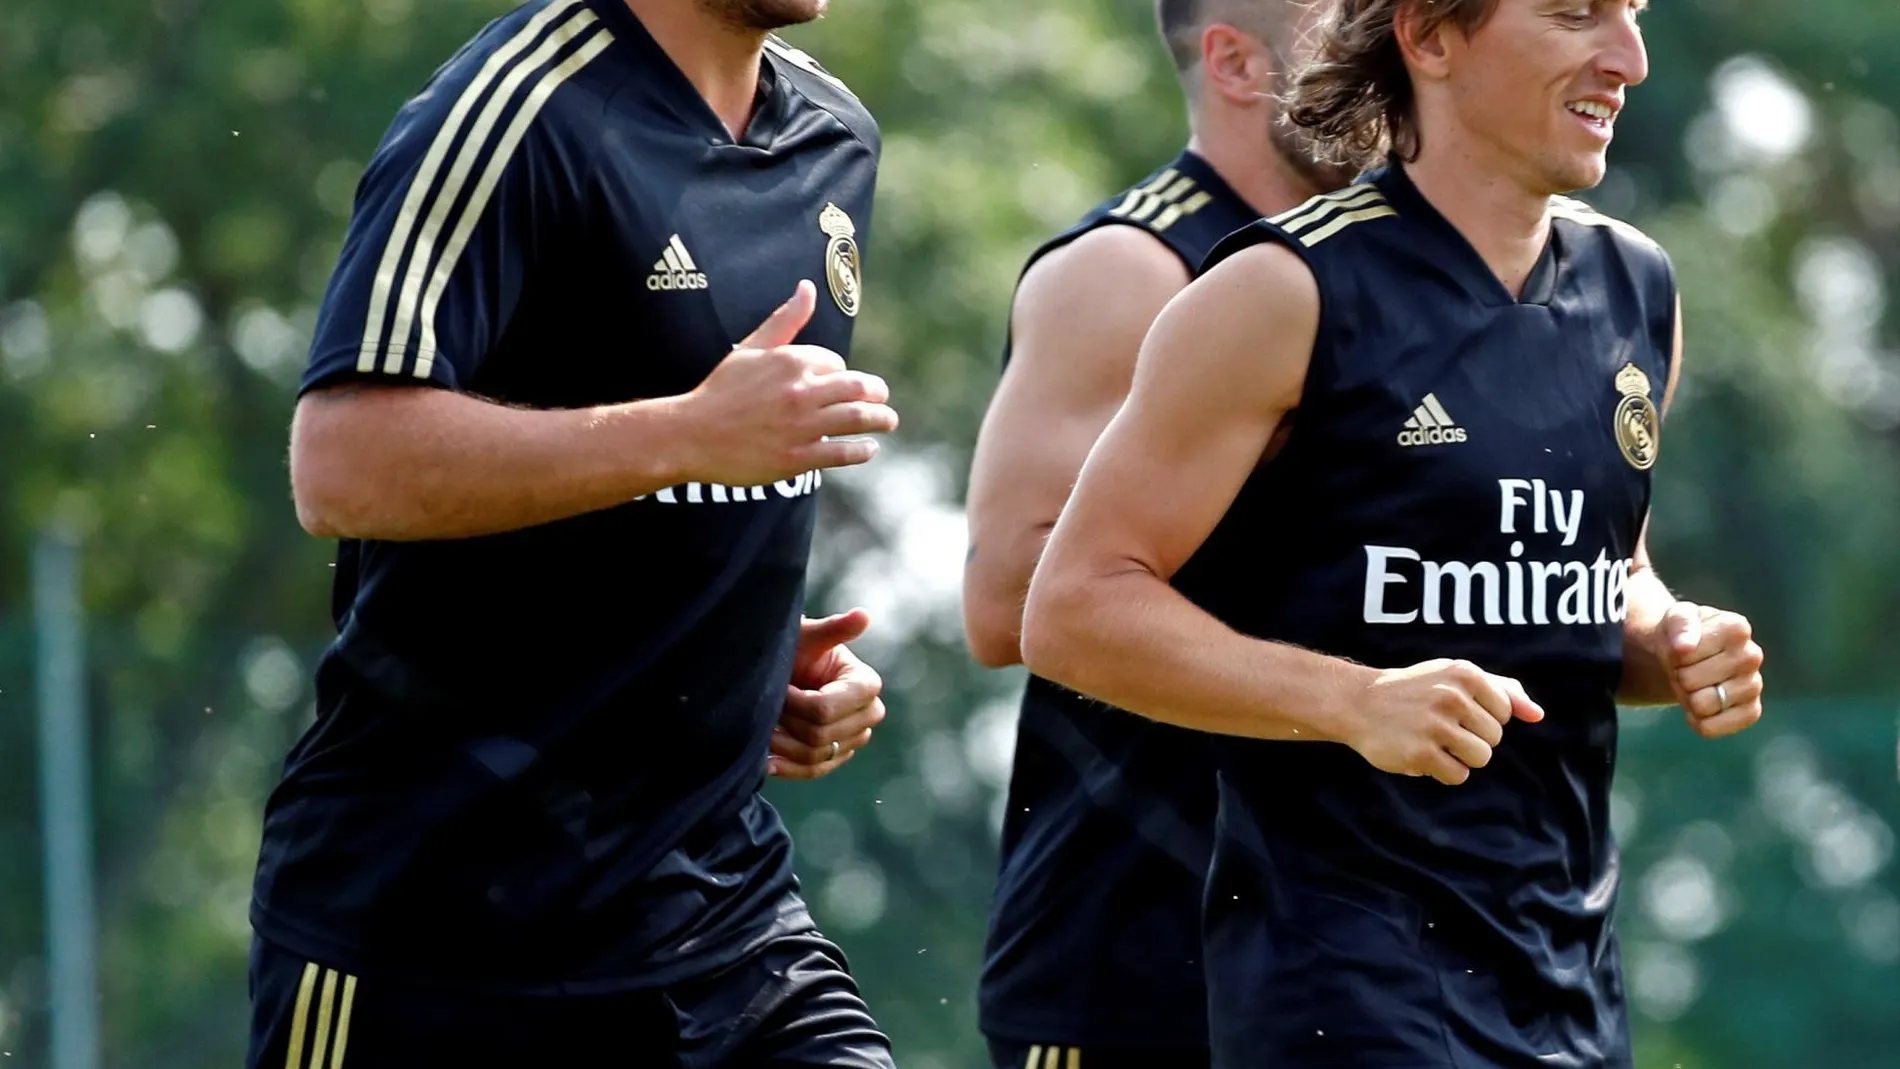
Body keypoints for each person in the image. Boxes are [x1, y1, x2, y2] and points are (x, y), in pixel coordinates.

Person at [1020, 1, 1767, 1066]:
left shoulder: (1636, 287)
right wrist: (1353, 701)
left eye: (1632, 13)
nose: (1628, 57)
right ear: (1427, 36)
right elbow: (1072, 607)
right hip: (1343, 983)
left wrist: (1670, 639)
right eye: (1573, 13)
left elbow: (1609, 571)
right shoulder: (1280, 290)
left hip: (1569, 980)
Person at [246, 0, 901, 1065]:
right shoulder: (515, 109)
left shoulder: (835, 134)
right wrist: (687, 433)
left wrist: (743, 664)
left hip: (723, 921)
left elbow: (705, 483)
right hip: (433, 938)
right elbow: (341, 462)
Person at [962, 3, 1359, 1067]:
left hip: (1345, 964)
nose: (1386, 46)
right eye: (1343, 22)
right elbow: (1005, 607)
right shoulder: (1131, 270)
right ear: (1235, 61)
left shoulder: (1396, 272)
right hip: (1131, 966)